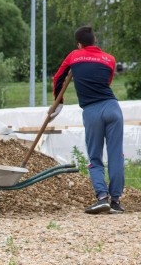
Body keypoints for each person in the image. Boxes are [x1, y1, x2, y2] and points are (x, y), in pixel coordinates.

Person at [52, 26, 125, 214]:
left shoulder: (74, 56)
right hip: (112, 107)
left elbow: (58, 78)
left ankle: (102, 198)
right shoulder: (109, 59)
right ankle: (116, 201)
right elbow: (107, 82)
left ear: (79, 43)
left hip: (92, 111)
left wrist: (59, 102)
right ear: (95, 41)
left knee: (95, 156)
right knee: (116, 155)